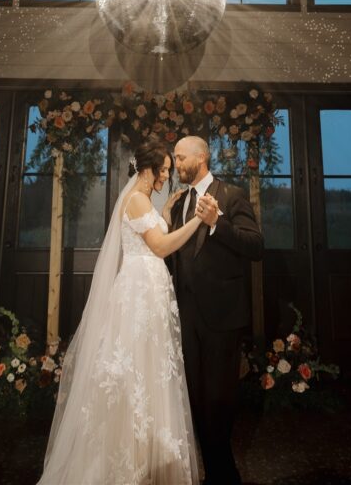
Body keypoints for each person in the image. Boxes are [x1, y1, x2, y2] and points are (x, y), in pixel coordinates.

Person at [37, 139, 205, 485]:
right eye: (163, 170)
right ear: (148, 168)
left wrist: (169, 212)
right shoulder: (136, 200)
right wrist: (196, 223)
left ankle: (149, 457)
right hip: (139, 293)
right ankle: (130, 463)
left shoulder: (145, 201)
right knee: (135, 371)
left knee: (152, 368)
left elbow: (154, 233)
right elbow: (159, 246)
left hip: (150, 290)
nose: (166, 177)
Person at [170, 136, 264, 485]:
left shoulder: (232, 195)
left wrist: (216, 223)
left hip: (223, 317)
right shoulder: (179, 202)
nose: (177, 164)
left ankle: (224, 474)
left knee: (219, 398)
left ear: (202, 156)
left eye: (181, 158)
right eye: (175, 159)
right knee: (194, 397)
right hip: (187, 314)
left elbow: (256, 246)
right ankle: (211, 470)